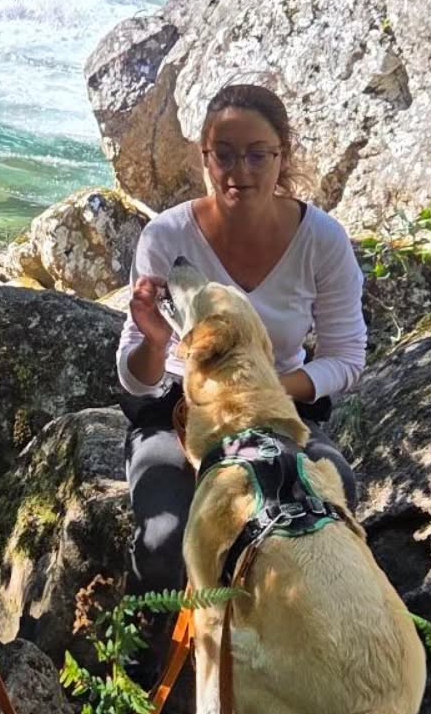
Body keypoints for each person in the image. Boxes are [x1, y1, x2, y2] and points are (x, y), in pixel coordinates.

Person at [116, 82, 366, 596]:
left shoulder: (321, 240)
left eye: (257, 155)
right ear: (205, 157)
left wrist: (264, 391)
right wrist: (156, 342)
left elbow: (346, 357)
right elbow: (137, 380)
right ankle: (151, 670)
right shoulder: (166, 236)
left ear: (282, 156)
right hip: (181, 411)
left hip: (279, 410)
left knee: (327, 507)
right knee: (164, 544)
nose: (239, 172)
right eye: (223, 155)